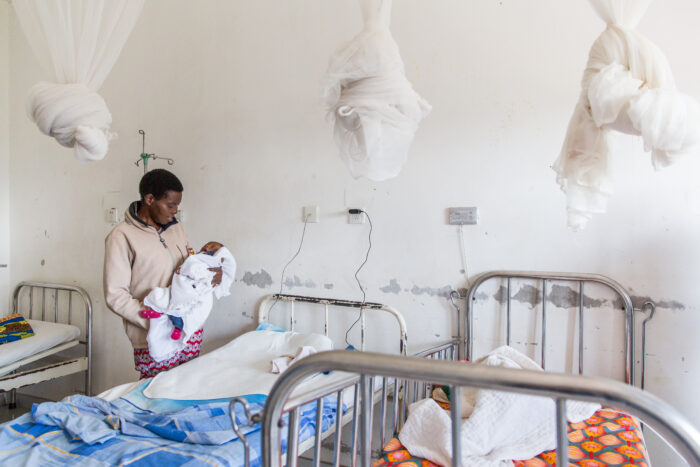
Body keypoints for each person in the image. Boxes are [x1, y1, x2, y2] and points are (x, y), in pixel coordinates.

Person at [103, 169, 223, 378]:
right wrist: (156, 321)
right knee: (156, 395)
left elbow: (189, 268)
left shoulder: (176, 229)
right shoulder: (121, 237)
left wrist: (213, 271)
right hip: (153, 332)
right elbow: (115, 296)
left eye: (177, 205)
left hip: (187, 329)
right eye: (170, 205)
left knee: (186, 388)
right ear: (149, 199)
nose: (174, 211)